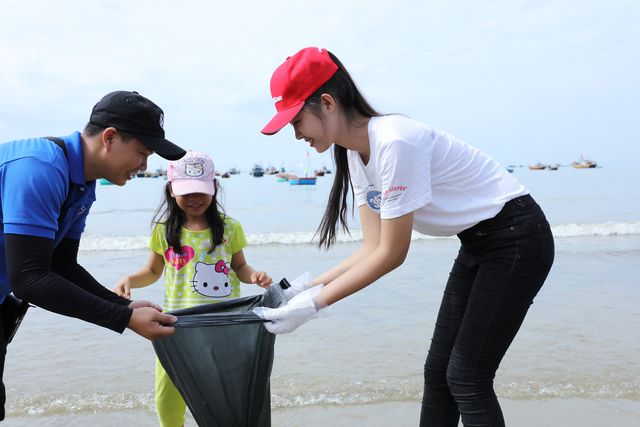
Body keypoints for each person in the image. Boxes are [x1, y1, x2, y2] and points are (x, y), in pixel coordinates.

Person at [254, 47, 554, 427]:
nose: (295, 134)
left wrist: (313, 305)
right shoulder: (351, 154)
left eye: (296, 120)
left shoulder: (394, 142)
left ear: (327, 102)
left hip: (517, 238)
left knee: (467, 377)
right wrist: (307, 288)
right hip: (479, 243)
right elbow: (372, 246)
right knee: (438, 374)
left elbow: (393, 254)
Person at [0, 90, 184, 420]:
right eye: (142, 153)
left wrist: (122, 305)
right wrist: (123, 319)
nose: (143, 166)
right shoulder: (38, 168)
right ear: (110, 138)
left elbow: (60, 265)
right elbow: (29, 279)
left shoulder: (85, 184)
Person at [113, 150, 272, 427]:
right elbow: (152, 271)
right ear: (172, 191)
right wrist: (129, 279)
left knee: (220, 392)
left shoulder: (230, 228)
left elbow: (240, 267)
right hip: (176, 327)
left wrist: (254, 275)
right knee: (167, 397)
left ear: (213, 188)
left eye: (201, 191)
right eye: (186, 192)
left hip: (220, 326)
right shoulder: (164, 231)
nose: (195, 198)